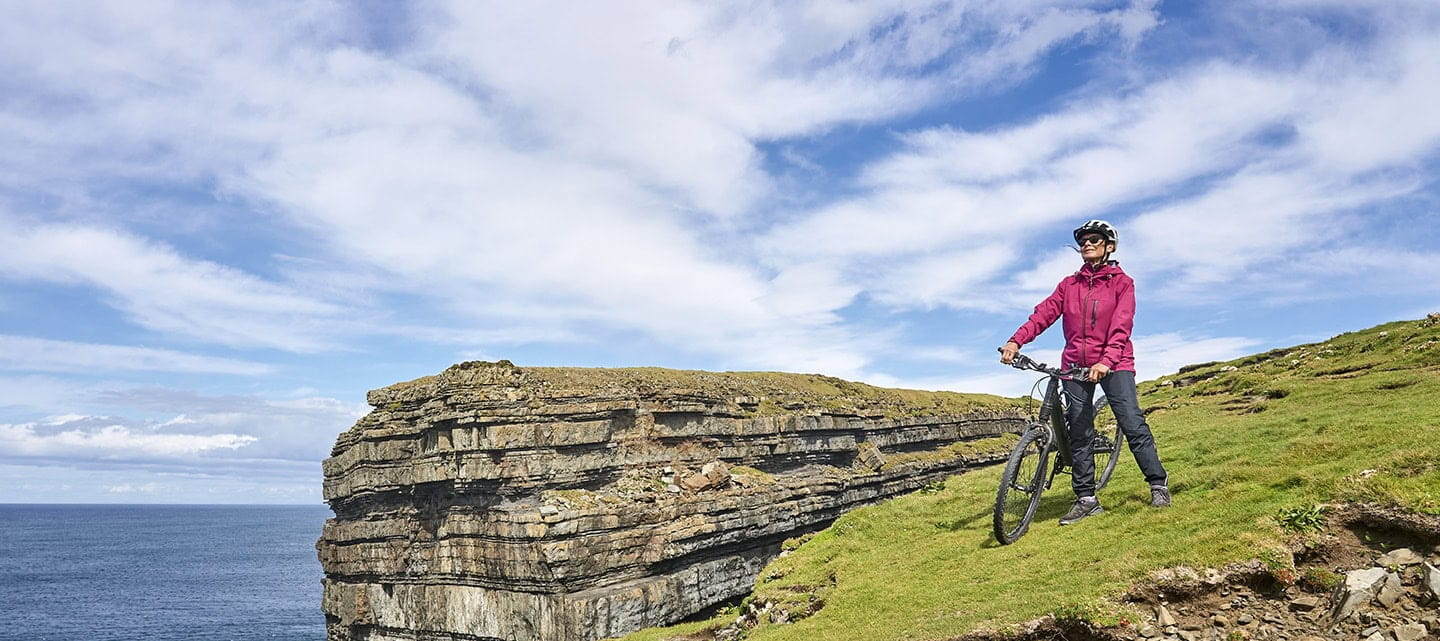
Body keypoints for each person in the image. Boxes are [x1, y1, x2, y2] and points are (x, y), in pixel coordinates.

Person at [999, 219, 1170, 526]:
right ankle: (1087, 499)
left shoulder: (1122, 282)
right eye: (1084, 241)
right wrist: (1016, 340)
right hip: (1075, 364)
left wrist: (1105, 361)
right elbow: (1043, 314)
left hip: (1114, 363)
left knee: (1131, 423)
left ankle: (1158, 484)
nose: (1088, 244)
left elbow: (1121, 326)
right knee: (1079, 431)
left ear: (1109, 246)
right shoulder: (1069, 285)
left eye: (1095, 239)